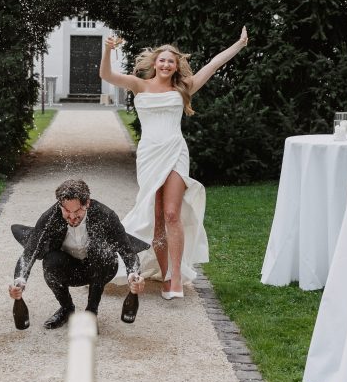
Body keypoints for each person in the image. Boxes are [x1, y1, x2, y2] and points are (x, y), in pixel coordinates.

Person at [99, 28, 249, 299]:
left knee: (171, 214)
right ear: (155, 63)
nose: (166, 64)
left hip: (175, 152)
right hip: (149, 156)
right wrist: (108, 49)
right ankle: (166, 272)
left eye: (171, 61)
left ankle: (176, 277)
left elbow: (213, 65)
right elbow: (106, 76)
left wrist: (239, 44)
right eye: (162, 60)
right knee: (157, 218)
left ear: (177, 65)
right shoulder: (138, 85)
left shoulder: (184, 87)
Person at [8, 178, 147, 329]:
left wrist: (134, 276)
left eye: (77, 211)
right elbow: (29, 254)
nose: (72, 217)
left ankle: (91, 312)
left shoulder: (105, 215)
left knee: (101, 251)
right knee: (50, 261)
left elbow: (128, 252)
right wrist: (19, 283)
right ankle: (67, 309)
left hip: (101, 269)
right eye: (67, 211)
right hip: (69, 270)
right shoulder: (50, 217)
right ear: (60, 204)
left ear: (87, 203)